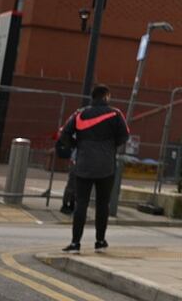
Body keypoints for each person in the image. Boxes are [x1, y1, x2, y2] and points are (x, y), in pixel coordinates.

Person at [58, 84, 129, 254]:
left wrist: (78, 145)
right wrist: (110, 146)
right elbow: (124, 135)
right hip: (106, 165)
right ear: (106, 97)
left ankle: (75, 243)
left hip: (84, 163)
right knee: (102, 204)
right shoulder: (115, 113)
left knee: (81, 203)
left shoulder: (79, 114)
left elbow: (64, 134)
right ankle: (100, 241)